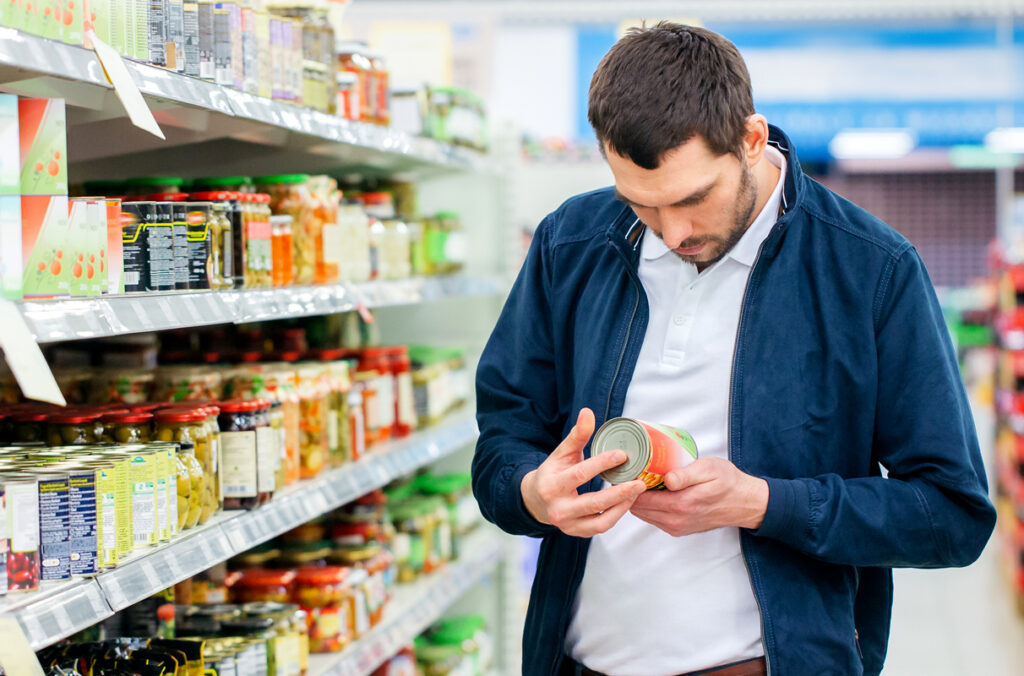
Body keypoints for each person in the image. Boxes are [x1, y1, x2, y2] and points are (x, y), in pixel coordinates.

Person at [471, 22, 997, 676]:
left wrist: (762, 503)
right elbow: (501, 443)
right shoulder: (571, 244)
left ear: (750, 140)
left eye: (694, 198)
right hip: (579, 663)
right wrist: (533, 492)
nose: (673, 231)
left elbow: (951, 514)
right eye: (642, 205)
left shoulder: (869, 270)